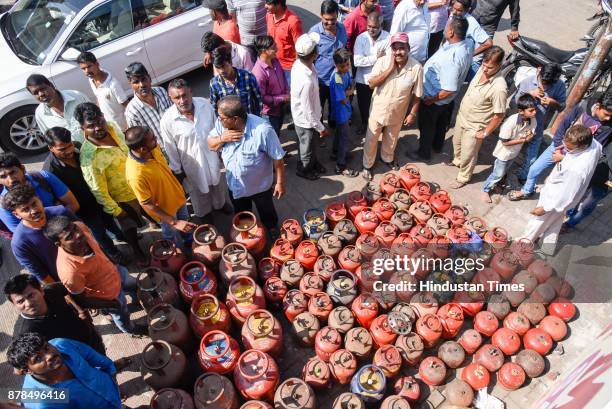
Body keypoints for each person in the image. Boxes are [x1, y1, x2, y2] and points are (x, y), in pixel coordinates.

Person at [45, 216, 146, 335]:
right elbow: (82, 301)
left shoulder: (81, 226)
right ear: (59, 244)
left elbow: (98, 246)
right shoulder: (69, 272)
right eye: (69, 237)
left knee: (134, 285)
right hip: (110, 296)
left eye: (75, 229)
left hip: (117, 272)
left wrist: (113, 262)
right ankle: (131, 330)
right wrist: (112, 304)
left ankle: (135, 300)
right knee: (122, 315)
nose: (78, 235)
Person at [510, 83, 610, 201]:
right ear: (598, 106)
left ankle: (546, 203)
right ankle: (527, 191)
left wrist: (565, 158)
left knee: (553, 181)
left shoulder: (608, 126)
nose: (608, 118)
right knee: (534, 169)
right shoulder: (583, 106)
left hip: (574, 158)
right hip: (559, 146)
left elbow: (593, 149)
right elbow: (564, 123)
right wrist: (557, 145)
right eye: (606, 114)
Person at [77, 102, 148, 265]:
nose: (98, 128)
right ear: (83, 128)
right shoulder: (88, 158)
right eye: (91, 126)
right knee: (129, 227)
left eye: (99, 121)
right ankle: (137, 251)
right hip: (124, 198)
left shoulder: (112, 126)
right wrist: (116, 211)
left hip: (142, 183)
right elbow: (98, 190)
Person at [42, 128, 126, 264]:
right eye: (62, 149)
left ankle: (121, 235)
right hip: (84, 210)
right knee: (99, 233)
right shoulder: (50, 171)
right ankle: (113, 253)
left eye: (69, 145)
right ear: (51, 148)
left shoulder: (79, 148)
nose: (69, 151)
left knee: (109, 220)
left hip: (100, 199)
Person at [208, 96, 286, 238]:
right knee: (242, 214)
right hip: (236, 187)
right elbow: (210, 145)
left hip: (260, 187)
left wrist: (280, 183)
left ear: (235, 119)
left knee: (266, 210)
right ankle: (247, 231)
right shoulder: (222, 125)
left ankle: (271, 227)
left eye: (222, 117)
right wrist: (221, 139)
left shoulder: (263, 130)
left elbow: (278, 159)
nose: (218, 120)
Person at [520, 125, 602, 255]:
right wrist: (558, 167)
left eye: (569, 148)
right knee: (555, 222)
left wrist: (545, 208)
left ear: (582, 146)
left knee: (537, 223)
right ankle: (547, 248)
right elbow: (569, 164)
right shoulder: (596, 145)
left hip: (555, 200)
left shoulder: (577, 170)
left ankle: (522, 246)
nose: (565, 147)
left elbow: (567, 195)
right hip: (562, 194)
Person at [161, 79, 231, 224]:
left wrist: (222, 151)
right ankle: (204, 213)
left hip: (212, 156)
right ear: (170, 98)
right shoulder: (167, 120)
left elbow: (217, 128)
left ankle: (220, 204)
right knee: (198, 192)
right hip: (191, 165)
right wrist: (178, 170)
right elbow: (170, 148)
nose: (182, 100)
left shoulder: (205, 105)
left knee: (217, 183)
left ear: (190, 92)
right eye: (177, 97)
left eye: (184, 95)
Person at [408, 16, 471, 161]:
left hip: (435, 100)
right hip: (445, 101)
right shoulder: (465, 44)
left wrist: (432, 99)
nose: (445, 28)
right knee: (441, 124)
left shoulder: (452, 58)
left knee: (427, 127)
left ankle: (423, 153)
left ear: (451, 33)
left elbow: (449, 88)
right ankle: (437, 146)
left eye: (447, 27)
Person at [362, 32, 423, 180]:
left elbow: (417, 95)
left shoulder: (416, 68)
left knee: (391, 138)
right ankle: (367, 165)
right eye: (394, 48)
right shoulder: (382, 62)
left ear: (408, 48)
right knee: (371, 139)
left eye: (401, 48)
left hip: (397, 113)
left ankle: (386, 158)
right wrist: (389, 69)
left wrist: (412, 114)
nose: (398, 52)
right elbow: (371, 84)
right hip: (378, 110)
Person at [125, 126, 197, 249]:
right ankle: (177, 252)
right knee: (171, 235)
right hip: (166, 212)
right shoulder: (135, 174)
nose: (156, 139)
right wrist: (173, 222)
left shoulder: (152, 149)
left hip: (178, 198)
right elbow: (146, 203)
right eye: (153, 139)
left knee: (186, 223)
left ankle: (190, 243)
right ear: (142, 149)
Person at [7, 333, 122, 409]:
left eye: (46, 348)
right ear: (27, 371)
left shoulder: (62, 344)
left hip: (113, 393)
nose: (50, 355)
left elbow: (94, 357)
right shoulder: (42, 402)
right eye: (38, 358)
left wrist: (111, 373)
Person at [448, 46, 507, 189]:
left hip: (475, 126)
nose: (485, 69)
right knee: (457, 144)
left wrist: (486, 132)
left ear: (499, 66)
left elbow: (499, 115)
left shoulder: (499, 87)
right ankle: (458, 161)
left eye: (490, 67)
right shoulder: (482, 69)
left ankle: (464, 176)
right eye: (484, 65)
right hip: (462, 117)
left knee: (469, 153)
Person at [5, 274, 105, 355]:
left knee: (104, 360)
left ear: (41, 290)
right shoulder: (23, 333)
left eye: (31, 295)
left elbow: (70, 289)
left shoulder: (52, 291)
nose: (28, 303)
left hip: (90, 338)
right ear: (14, 305)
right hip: (74, 359)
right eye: (20, 301)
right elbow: (18, 366)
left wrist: (82, 310)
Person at [3, 184, 75, 283]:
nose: (33, 211)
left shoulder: (61, 211)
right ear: (17, 215)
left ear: (39, 199)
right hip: (68, 283)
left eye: (34, 204)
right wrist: (63, 294)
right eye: (25, 209)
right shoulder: (19, 243)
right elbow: (41, 274)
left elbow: (87, 236)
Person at [512, 63, 567, 184]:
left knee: (532, 156)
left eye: (549, 85)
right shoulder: (527, 81)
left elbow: (562, 107)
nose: (545, 86)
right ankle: (502, 174)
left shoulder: (559, 86)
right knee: (510, 150)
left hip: (537, 127)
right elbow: (516, 100)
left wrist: (553, 102)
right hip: (519, 124)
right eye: (543, 82)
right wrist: (530, 94)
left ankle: (523, 175)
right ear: (538, 71)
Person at [0, 152, 79, 232]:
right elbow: (22, 234)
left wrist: (57, 228)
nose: (11, 179)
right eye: (3, 177)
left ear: (23, 169)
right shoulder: (4, 205)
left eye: (13, 172)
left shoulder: (43, 177)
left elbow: (73, 204)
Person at [481, 94, 537, 203]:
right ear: (521, 111)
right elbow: (505, 142)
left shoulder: (532, 119)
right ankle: (485, 189)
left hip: (514, 152)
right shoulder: (510, 123)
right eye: (531, 110)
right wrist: (524, 140)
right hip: (504, 153)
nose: (534, 112)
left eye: (534, 109)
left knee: (503, 171)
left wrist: (530, 135)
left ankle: (495, 184)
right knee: (498, 173)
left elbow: (531, 131)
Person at [291, 33, 329, 180]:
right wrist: (320, 128)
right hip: (306, 121)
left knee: (312, 144)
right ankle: (304, 170)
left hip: (312, 117)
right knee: (306, 148)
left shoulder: (304, 65)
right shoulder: (305, 81)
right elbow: (308, 111)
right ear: (314, 54)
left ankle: (314, 163)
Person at [309, 0, 348, 129]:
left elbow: (345, 51)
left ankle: (332, 125)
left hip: (337, 81)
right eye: (326, 19)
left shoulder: (342, 29)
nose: (330, 23)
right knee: (318, 109)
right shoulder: (313, 33)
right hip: (320, 81)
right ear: (321, 15)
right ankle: (319, 132)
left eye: (333, 19)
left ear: (338, 15)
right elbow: (308, 60)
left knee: (334, 106)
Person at [354, 11, 390, 133]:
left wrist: (369, 59)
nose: (371, 29)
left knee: (379, 105)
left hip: (380, 79)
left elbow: (388, 61)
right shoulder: (361, 38)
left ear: (381, 26)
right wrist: (376, 58)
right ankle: (365, 124)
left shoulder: (388, 38)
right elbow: (357, 61)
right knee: (364, 106)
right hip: (362, 80)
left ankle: (379, 126)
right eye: (369, 26)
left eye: (374, 27)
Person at [26, 74, 90, 143]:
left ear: (51, 85)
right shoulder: (40, 114)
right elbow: (50, 139)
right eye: (35, 93)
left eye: (42, 89)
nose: (41, 94)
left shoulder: (77, 97)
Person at [77, 51, 129, 131]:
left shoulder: (113, 85)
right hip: (108, 127)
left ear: (97, 64)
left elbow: (127, 106)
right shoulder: (91, 80)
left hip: (122, 128)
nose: (87, 71)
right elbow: (99, 97)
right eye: (83, 69)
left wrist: (129, 127)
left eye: (89, 66)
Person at [564, 141, 611, 229]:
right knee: (578, 194)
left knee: (587, 205)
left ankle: (570, 224)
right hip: (594, 172)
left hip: (606, 183)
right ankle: (570, 212)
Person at [124, 62, 173, 145]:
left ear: (149, 78)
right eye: (136, 82)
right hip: (160, 153)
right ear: (131, 84)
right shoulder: (132, 112)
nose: (142, 85)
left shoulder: (161, 92)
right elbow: (140, 141)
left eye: (143, 79)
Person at [252, 35, 291, 138]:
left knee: (277, 132)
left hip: (280, 108)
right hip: (269, 114)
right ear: (264, 51)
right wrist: (282, 98)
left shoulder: (275, 60)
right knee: (272, 137)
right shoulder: (258, 73)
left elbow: (283, 76)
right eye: (273, 47)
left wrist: (287, 91)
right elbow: (262, 97)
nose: (277, 49)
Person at [330, 49, 359, 177]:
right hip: (341, 112)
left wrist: (348, 91)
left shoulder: (344, 73)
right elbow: (342, 99)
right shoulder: (337, 79)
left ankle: (335, 152)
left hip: (344, 111)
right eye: (342, 66)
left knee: (339, 133)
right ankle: (340, 164)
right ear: (336, 65)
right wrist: (350, 91)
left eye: (347, 64)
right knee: (344, 138)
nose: (346, 68)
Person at [210, 48, 263, 116]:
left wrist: (256, 117)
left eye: (224, 66)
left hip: (249, 119)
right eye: (218, 67)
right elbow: (214, 107)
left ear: (230, 62)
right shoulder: (214, 84)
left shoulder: (247, 77)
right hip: (229, 124)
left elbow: (258, 99)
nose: (221, 71)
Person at [449, 0, 492, 78]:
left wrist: (469, 55)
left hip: (460, 64)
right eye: (454, 8)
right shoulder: (453, 15)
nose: (454, 12)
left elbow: (488, 43)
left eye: (459, 10)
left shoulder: (471, 23)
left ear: (467, 10)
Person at [265, 0, 304, 84]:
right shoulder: (268, 15)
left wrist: (297, 70)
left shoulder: (293, 21)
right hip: (273, 64)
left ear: (278, 4)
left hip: (288, 70)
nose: (265, 6)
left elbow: (299, 48)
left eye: (268, 4)